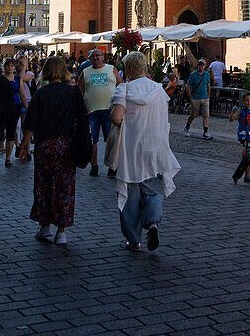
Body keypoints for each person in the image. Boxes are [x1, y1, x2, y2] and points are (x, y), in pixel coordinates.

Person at [109, 51, 180, 252]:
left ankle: (134, 240)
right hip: (153, 147)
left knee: (130, 195)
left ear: (129, 70)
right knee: (150, 189)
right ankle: (153, 222)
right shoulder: (158, 90)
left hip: (131, 148)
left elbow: (116, 117)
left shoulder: (125, 89)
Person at [19, 55, 89, 245]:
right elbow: (83, 116)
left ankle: (45, 226)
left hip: (45, 145)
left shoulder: (41, 93)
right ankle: (62, 231)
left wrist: (24, 147)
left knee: (43, 185)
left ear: (47, 71)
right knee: (64, 186)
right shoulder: (73, 92)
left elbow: (30, 124)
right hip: (66, 145)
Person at [78, 49, 121, 177]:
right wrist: (83, 108)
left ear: (103, 57)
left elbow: (120, 85)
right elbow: (78, 92)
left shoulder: (111, 69)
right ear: (89, 59)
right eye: (93, 56)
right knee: (93, 141)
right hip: (92, 111)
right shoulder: (85, 72)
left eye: (98, 55)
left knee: (112, 140)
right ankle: (94, 165)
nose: (96, 58)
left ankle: (112, 166)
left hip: (110, 110)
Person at [0, 58, 28, 166]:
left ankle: (8, 158)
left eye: (12, 66)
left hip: (14, 107)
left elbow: (22, 94)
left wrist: (27, 108)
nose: (10, 68)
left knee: (11, 132)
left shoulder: (18, 79)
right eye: (8, 66)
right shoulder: (0, 79)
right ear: (4, 67)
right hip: (2, 108)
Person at [230, 92, 250, 183]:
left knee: (249, 155)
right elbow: (231, 119)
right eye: (247, 101)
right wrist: (234, 112)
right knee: (248, 150)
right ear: (243, 101)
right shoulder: (241, 110)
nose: (249, 102)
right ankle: (244, 157)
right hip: (243, 134)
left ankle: (247, 176)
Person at [184, 59, 212, 139]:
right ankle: (187, 127)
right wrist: (190, 97)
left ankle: (205, 131)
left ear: (204, 66)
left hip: (205, 97)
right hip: (196, 98)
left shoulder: (206, 74)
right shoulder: (193, 75)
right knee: (193, 115)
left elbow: (208, 85)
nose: (200, 66)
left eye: (202, 65)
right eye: (199, 65)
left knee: (206, 115)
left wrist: (208, 97)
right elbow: (188, 86)